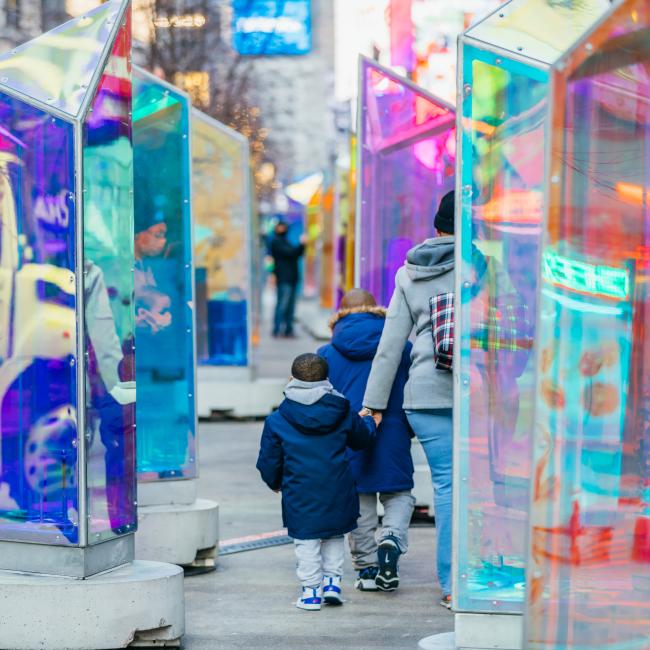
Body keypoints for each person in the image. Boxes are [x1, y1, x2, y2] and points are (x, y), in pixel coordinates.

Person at [362, 189, 456, 609]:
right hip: (479, 394)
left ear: (436, 227)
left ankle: (453, 582)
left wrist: (374, 404)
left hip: (424, 393)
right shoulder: (485, 266)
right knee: (479, 487)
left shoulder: (408, 273)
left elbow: (390, 345)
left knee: (447, 485)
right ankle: (481, 571)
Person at [256, 353, 379, 611]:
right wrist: (368, 419)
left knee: (306, 540)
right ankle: (333, 584)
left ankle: (311, 592)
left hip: (299, 489)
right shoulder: (342, 409)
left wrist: (275, 482)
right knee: (334, 534)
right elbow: (361, 440)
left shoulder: (278, 419)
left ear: (292, 379)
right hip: (338, 486)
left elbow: (268, 461)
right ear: (326, 379)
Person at [318, 288, 415, 593]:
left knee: (358, 501)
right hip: (393, 429)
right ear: (377, 311)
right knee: (398, 494)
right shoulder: (401, 346)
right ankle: (392, 538)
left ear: (339, 316)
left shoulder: (326, 354)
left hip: (348, 435)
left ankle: (368, 569)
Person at [270, 221, 306, 338]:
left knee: (290, 307)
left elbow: (297, 253)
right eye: (280, 227)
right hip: (284, 279)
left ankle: (288, 330)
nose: (283, 229)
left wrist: (302, 245)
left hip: (291, 278)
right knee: (282, 305)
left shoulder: (285, 241)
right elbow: (291, 253)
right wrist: (301, 244)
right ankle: (277, 329)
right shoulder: (277, 242)